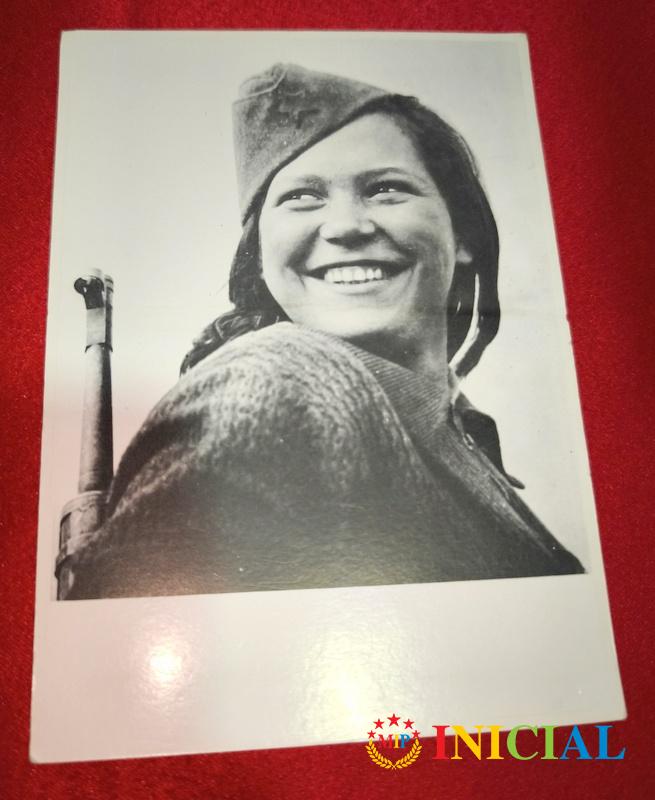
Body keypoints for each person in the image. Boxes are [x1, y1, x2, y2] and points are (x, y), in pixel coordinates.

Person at [61, 63, 583, 600]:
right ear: (260, 254)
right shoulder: (279, 385)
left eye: (386, 189)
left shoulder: (459, 428)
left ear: (464, 233)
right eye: (302, 197)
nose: (346, 226)